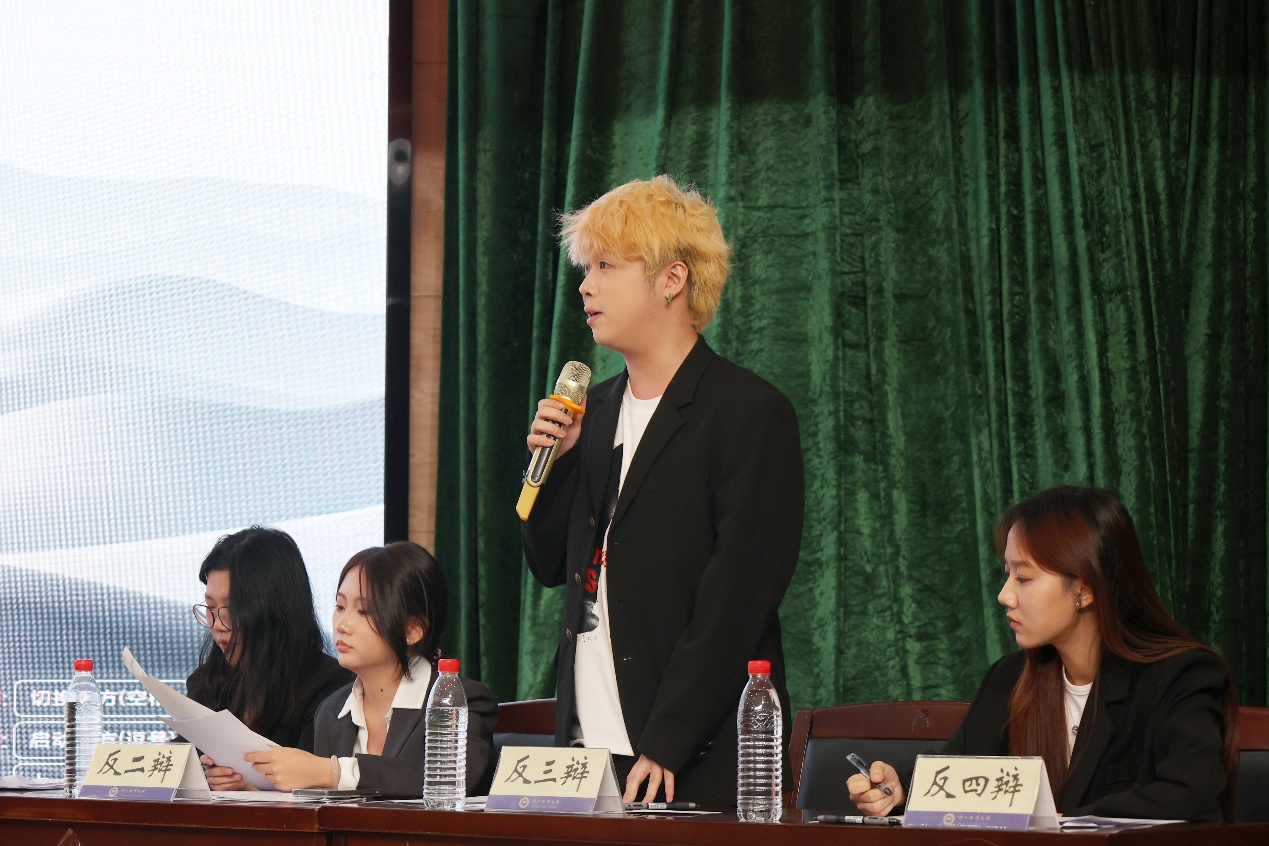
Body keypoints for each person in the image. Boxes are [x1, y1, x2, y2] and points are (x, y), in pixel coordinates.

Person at [521, 175, 805, 807]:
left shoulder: (748, 412)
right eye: (585, 268)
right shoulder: (592, 412)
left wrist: (668, 741)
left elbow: (736, 599)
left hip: (688, 757)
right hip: (586, 750)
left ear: (672, 279)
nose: (585, 286)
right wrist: (556, 465)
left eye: (605, 266)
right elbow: (549, 566)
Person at [848, 485, 1238, 822]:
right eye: (1007, 574)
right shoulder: (1009, 677)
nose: (1005, 595)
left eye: (1024, 578)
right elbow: (956, 777)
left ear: (1085, 588)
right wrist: (900, 792)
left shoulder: (1182, 676)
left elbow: (1190, 793)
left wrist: (1056, 825)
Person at [240, 542, 499, 796]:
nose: (342, 625)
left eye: (364, 611)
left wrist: (331, 771)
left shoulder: (460, 700)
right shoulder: (331, 711)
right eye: (340, 607)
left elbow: (448, 777)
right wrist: (256, 790)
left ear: (412, 630)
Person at [187, 526, 352, 789]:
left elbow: (319, 791)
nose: (217, 624)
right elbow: (181, 760)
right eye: (210, 607)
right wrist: (202, 775)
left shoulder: (329, 688)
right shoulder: (206, 681)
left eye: (232, 609)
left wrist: (249, 791)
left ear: (275, 609)